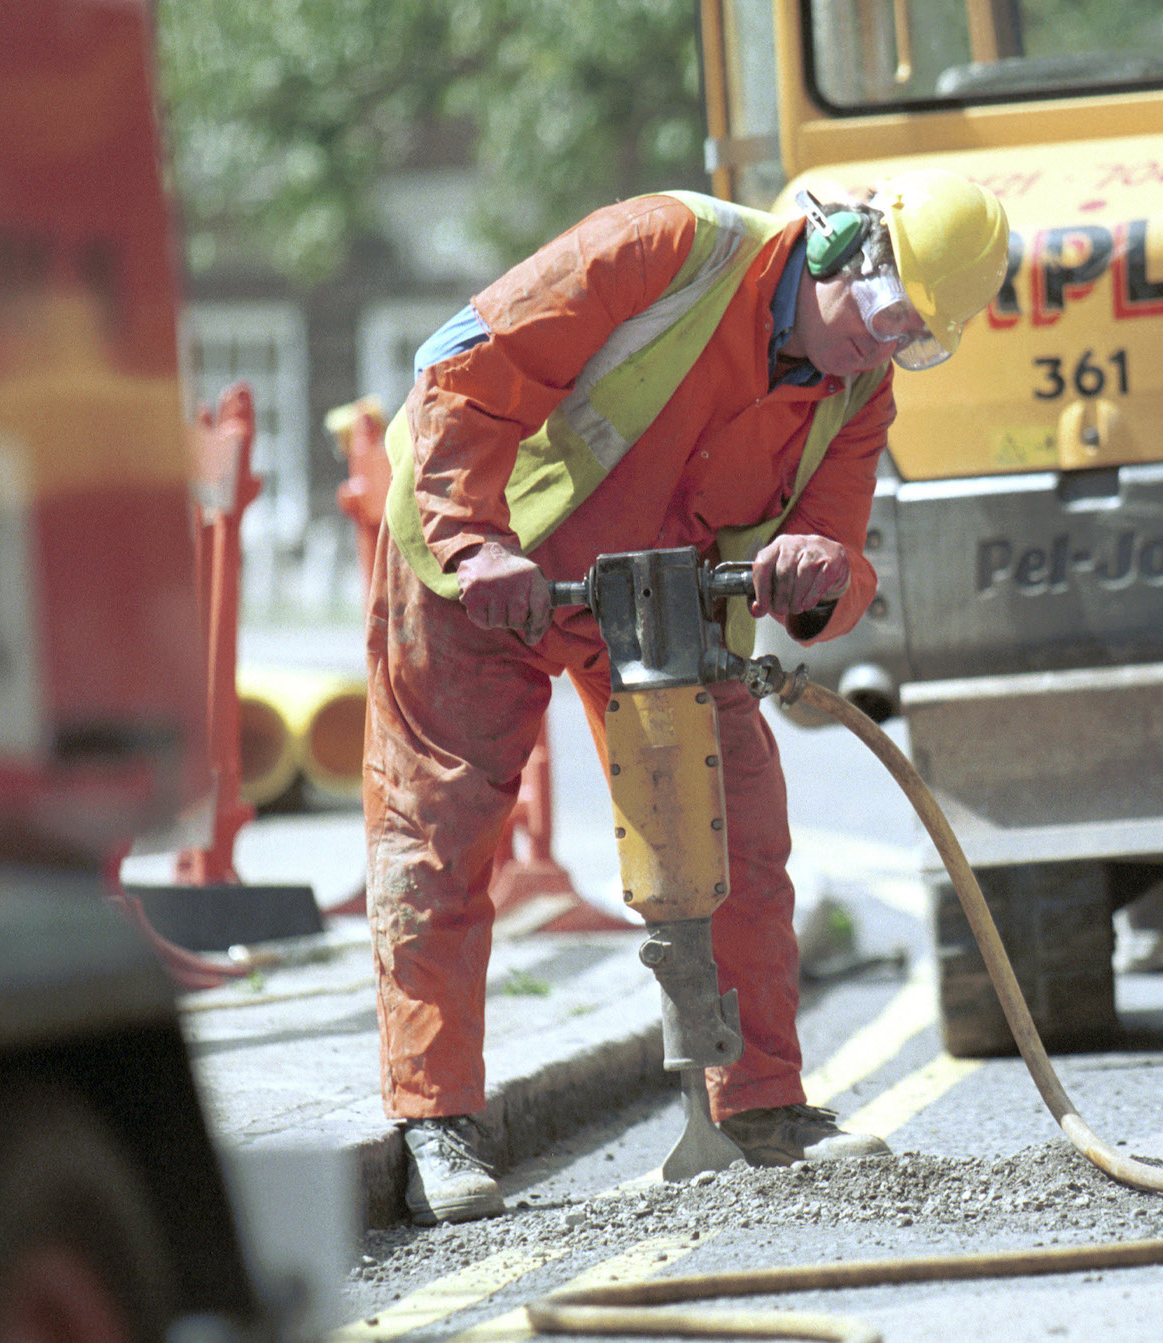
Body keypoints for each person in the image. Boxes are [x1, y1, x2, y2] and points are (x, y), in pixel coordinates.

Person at [363, 168, 1009, 1224]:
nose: (882, 346)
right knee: (438, 832)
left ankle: (756, 1104)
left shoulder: (857, 390)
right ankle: (436, 1117)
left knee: (738, 826)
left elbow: (839, 561)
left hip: (653, 597)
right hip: (477, 570)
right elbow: (463, 366)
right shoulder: (664, 248)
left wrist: (819, 567)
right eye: (887, 315)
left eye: (913, 341)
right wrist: (470, 538)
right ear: (845, 244)